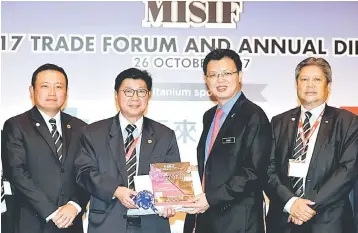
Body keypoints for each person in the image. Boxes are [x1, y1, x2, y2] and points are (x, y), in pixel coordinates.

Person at [75, 68, 180, 233]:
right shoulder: (93, 133)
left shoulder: (165, 135)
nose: (135, 98)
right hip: (107, 224)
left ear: (149, 95)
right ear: (116, 95)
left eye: (141, 92)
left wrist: (170, 202)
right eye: (128, 92)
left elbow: (173, 179)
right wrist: (115, 190)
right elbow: (84, 172)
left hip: (152, 224)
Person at [265, 57, 358, 233]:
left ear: (328, 86)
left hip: (329, 222)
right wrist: (291, 203)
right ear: (296, 84)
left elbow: (347, 171)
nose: (310, 85)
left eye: (317, 79)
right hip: (284, 221)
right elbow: (268, 169)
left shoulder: (348, 122)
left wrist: (305, 207)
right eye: (304, 79)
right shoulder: (278, 122)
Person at [183, 49, 271, 233]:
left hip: (237, 220)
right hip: (207, 217)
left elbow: (253, 172)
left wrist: (210, 199)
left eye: (226, 73)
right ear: (206, 80)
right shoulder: (210, 116)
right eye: (213, 75)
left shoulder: (253, 115)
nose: (220, 80)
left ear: (239, 76)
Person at [2, 63, 88, 233]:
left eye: (58, 87)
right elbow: (16, 172)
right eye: (45, 86)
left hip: (70, 223)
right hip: (30, 223)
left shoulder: (81, 128)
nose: (52, 93)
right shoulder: (16, 125)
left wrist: (75, 204)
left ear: (66, 92)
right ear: (32, 90)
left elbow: (88, 173)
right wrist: (51, 212)